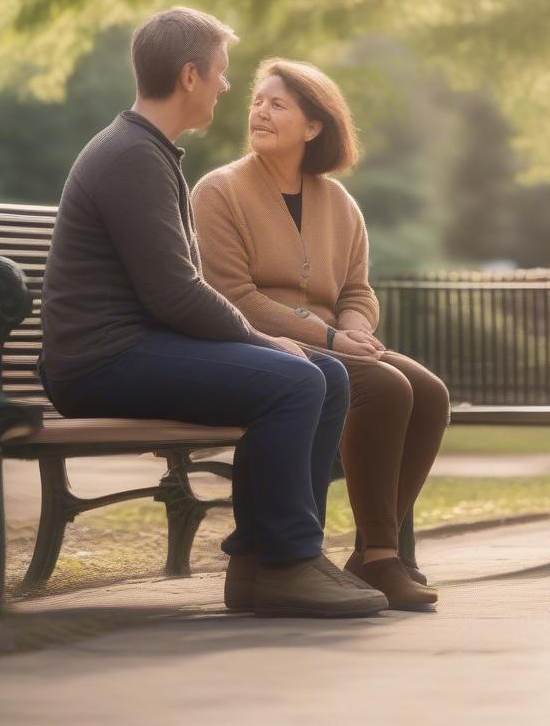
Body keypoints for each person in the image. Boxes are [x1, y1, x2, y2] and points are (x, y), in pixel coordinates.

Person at [39, 9, 387, 618]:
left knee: (325, 375)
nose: (229, 89)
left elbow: (177, 291)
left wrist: (266, 343)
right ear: (191, 75)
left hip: (135, 348)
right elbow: (175, 293)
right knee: (297, 378)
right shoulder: (131, 157)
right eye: (223, 74)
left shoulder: (150, 152)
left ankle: (265, 564)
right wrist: (260, 339)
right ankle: (287, 561)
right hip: (101, 360)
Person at [192, 59, 451, 611]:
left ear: (315, 127)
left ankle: (372, 553)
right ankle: (382, 557)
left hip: (333, 347)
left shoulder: (339, 203)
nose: (259, 111)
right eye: (256, 101)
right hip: (262, 348)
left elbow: (357, 290)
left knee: (428, 392)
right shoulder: (219, 191)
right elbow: (234, 297)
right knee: (385, 388)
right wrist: (331, 340)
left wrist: (355, 329)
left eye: (277, 104)